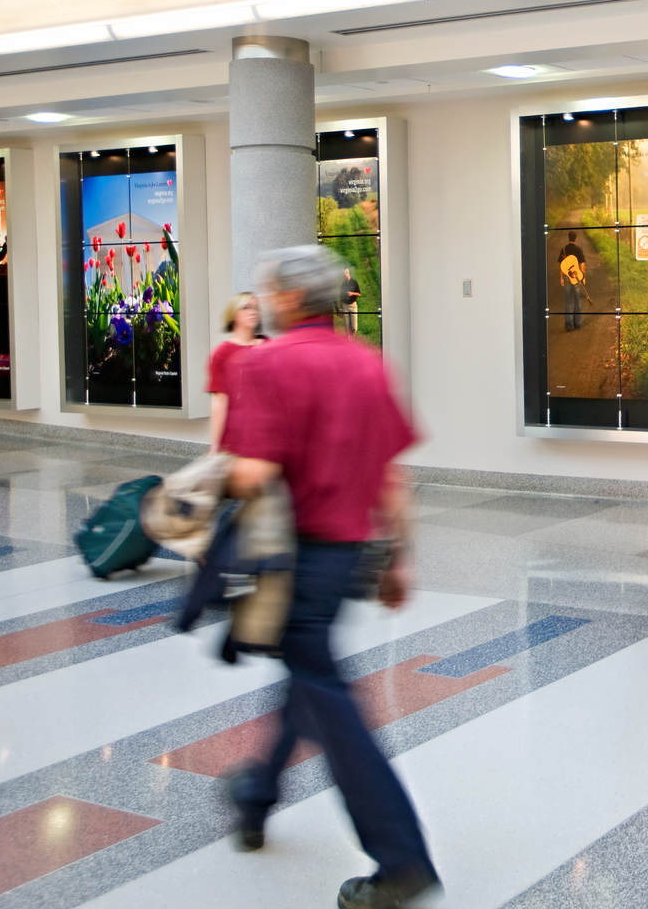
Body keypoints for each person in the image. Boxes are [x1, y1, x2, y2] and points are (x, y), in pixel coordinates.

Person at [219, 246, 437, 909]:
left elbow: (253, 474)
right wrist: (399, 556)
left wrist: (202, 488)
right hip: (349, 556)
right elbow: (394, 477)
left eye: (268, 293)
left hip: (295, 559)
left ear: (288, 299)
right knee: (305, 672)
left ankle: (401, 859)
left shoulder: (269, 364)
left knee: (326, 693)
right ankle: (256, 794)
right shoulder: (367, 363)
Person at [206, 292, 265, 448]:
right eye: (246, 307)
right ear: (233, 314)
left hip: (267, 431)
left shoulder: (269, 346)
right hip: (238, 434)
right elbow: (220, 400)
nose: (253, 312)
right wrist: (215, 445)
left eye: (256, 308)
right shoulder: (222, 353)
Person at [558, 231, 587, 332]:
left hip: (567, 277)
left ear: (568, 238)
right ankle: (577, 323)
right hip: (577, 278)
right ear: (576, 239)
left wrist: (561, 278)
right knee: (577, 300)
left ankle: (568, 324)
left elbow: (562, 266)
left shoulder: (564, 250)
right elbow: (582, 264)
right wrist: (583, 277)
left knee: (568, 300)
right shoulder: (578, 249)